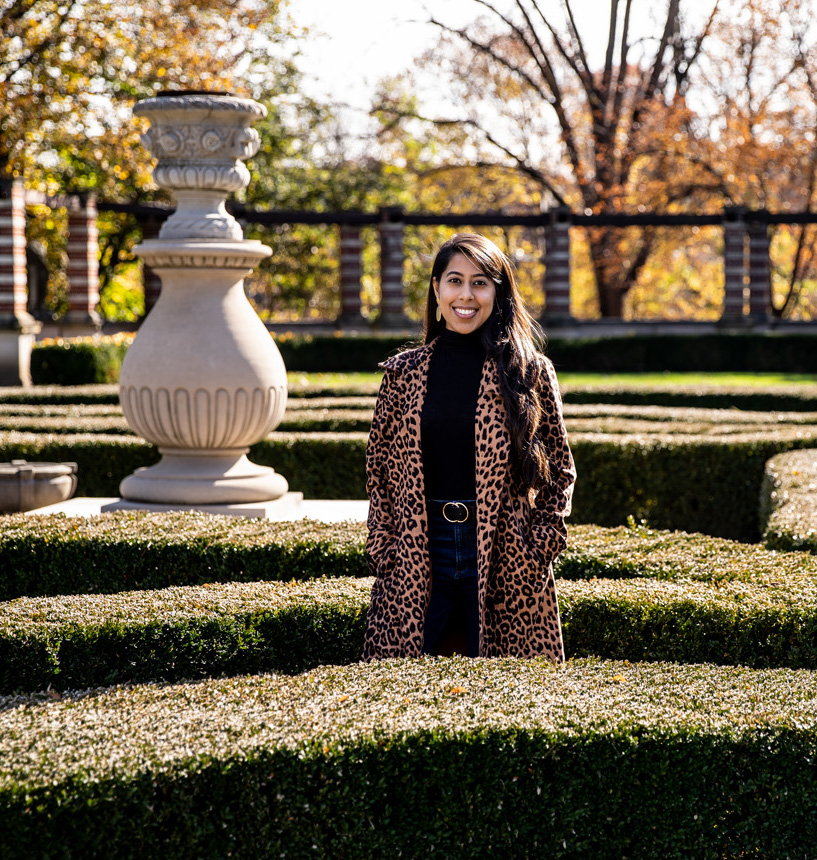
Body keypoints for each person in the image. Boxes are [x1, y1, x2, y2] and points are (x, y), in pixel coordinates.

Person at [362, 233, 576, 661]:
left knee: (510, 699)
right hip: (418, 549)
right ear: (437, 288)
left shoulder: (528, 371)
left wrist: (542, 543)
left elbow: (561, 470)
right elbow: (378, 468)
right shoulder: (403, 374)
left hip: (505, 550)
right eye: (455, 280)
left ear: (498, 292)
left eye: (480, 282)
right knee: (398, 693)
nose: (466, 295)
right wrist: (384, 545)